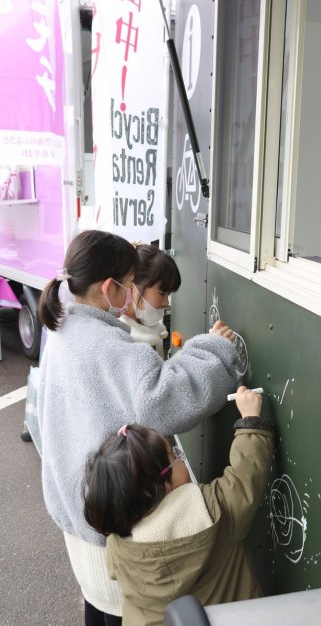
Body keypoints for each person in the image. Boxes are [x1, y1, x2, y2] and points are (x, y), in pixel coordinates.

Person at [37, 229, 239, 626]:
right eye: (131, 284)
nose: (134, 294)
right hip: (115, 542)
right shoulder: (109, 345)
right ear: (109, 288)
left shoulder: (62, 331)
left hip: (81, 524)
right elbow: (165, 402)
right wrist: (215, 349)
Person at [82, 387, 274, 626]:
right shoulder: (214, 510)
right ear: (163, 484)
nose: (179, 456)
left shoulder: (119, 547)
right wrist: (250, 423)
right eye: (174, 455)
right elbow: (246, 476)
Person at [120, 244, 181, 358]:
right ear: (132, 287)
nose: (166, 302)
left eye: (168, 294)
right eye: (162, 293)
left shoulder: (147, 324)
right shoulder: (121, 337)